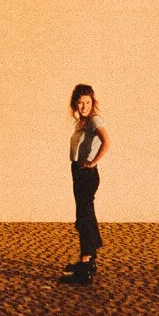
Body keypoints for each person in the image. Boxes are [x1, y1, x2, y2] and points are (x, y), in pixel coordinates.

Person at [63, 84, 109, 284]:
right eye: (80, 103)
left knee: (83, 217)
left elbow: (107, 141)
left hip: (86, 173)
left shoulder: (93, 120)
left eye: (88, 102)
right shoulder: (81, 123)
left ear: (93, 103)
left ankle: (86, 261)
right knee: (85, 214)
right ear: (75, 103)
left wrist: (93, 162)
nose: (84, 106)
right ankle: (90, 258)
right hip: (78, 172)